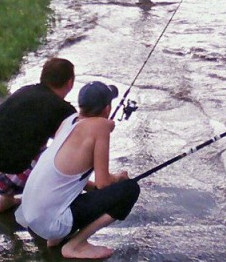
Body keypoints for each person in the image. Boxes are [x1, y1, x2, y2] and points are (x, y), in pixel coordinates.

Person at [15, 81, 140, 259]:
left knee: (95, 191)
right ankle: (77, 244)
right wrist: (119, 178)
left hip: (30, 214)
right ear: (106, 108)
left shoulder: (68, 122)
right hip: (49, 223)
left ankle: (57, 238)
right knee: (130, 189)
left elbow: (68, 178)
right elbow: (103, 183)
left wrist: (97, 187)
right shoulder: (100, 127)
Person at [0, 57, 77, 212]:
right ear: (70, 83)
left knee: (23, 140)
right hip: (4, 180)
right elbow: (73, 147)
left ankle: (6, 202)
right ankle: (48, 210)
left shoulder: (25, 91)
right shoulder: (63, 110)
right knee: (59, 154)